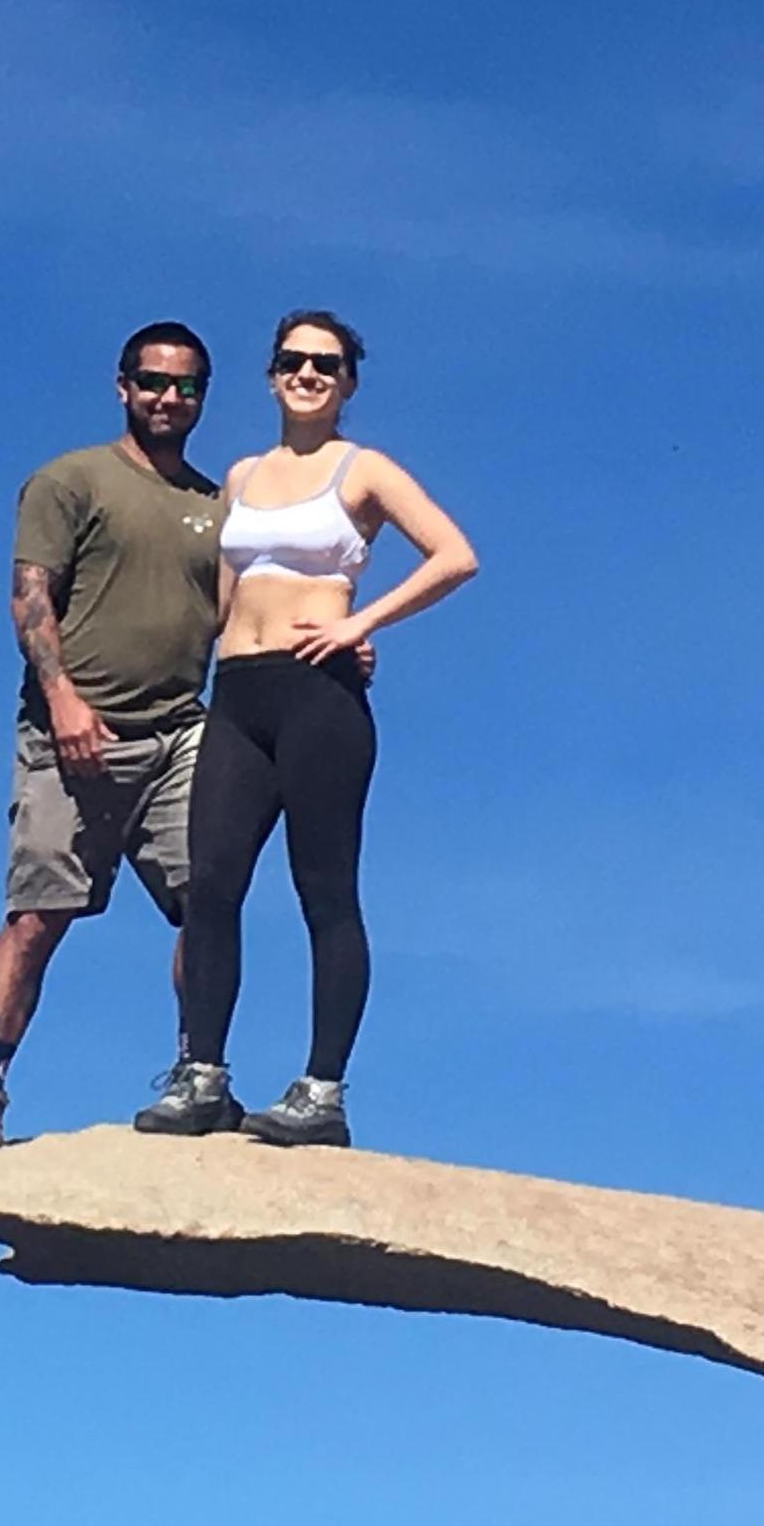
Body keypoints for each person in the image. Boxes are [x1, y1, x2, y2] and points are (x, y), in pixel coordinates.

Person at [135, 311, 477, 1149]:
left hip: (318, 696)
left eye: (326, 364)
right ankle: (203, 1076)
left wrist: (361, 628)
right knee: (210, 884)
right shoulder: (243, 475)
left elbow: (453, 554)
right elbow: (220, 593)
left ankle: (321, 1091)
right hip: (238, 692)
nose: (308, 374)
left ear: (348, 382)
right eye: (293, 360)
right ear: (271, 374)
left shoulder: (363, 471)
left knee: (323, 890)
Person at [0, 323, 224, 1150]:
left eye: (185, 387)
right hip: (74, 732)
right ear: (121, 385)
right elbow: (30, 597)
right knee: (38, 914)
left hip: (180, 732)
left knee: (207, 908)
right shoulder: (69, 480)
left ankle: (196, 1072)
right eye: (152, 382)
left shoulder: (217, 507)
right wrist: (62, 698)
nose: (167, 398)